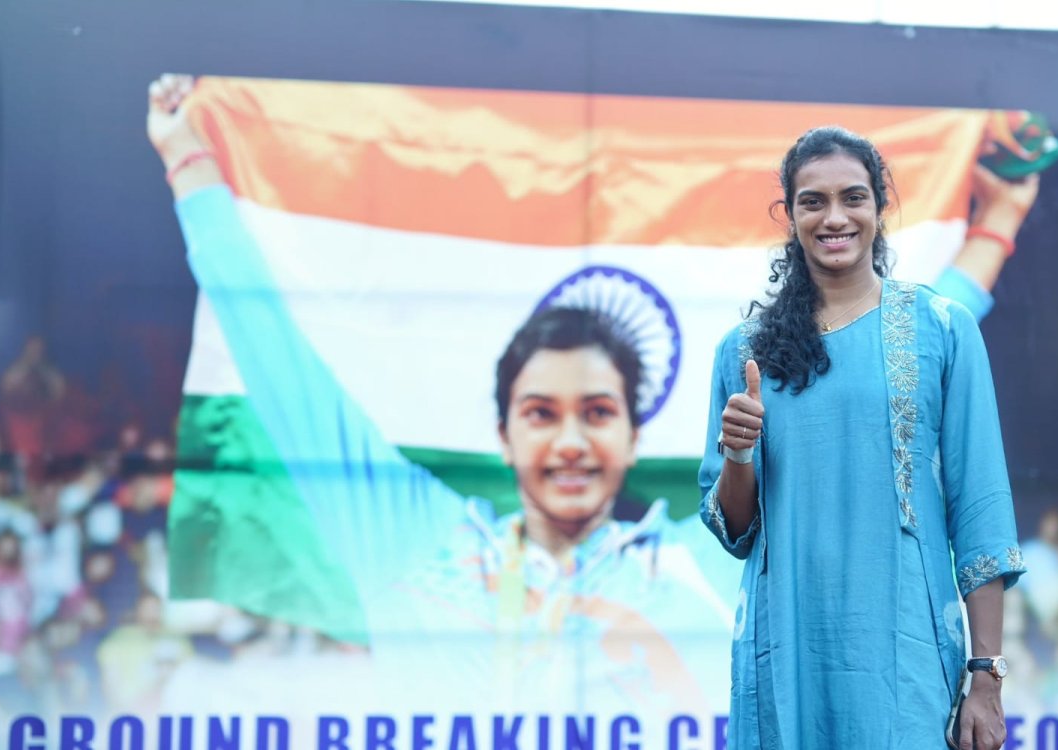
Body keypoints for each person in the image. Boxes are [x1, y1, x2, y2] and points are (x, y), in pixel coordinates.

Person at [146, 74, 738, 720]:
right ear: (503, 435)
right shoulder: (417, 547)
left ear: (634, 437)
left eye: (598, 413)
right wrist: (188, 163)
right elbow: (280, 363)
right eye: (541, 414)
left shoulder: (708, 566)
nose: (570, 442)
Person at [699, 126, 1026, 749]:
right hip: (786, 646)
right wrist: (738, 454)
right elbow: (736, 530)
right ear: (790, 215)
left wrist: (986, 675)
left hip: (903, 652)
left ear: (879, 208)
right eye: (812, 201)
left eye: (853, 197)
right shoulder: (744, 351)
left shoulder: (942, 329)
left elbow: (980, 511)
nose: (834, 218)